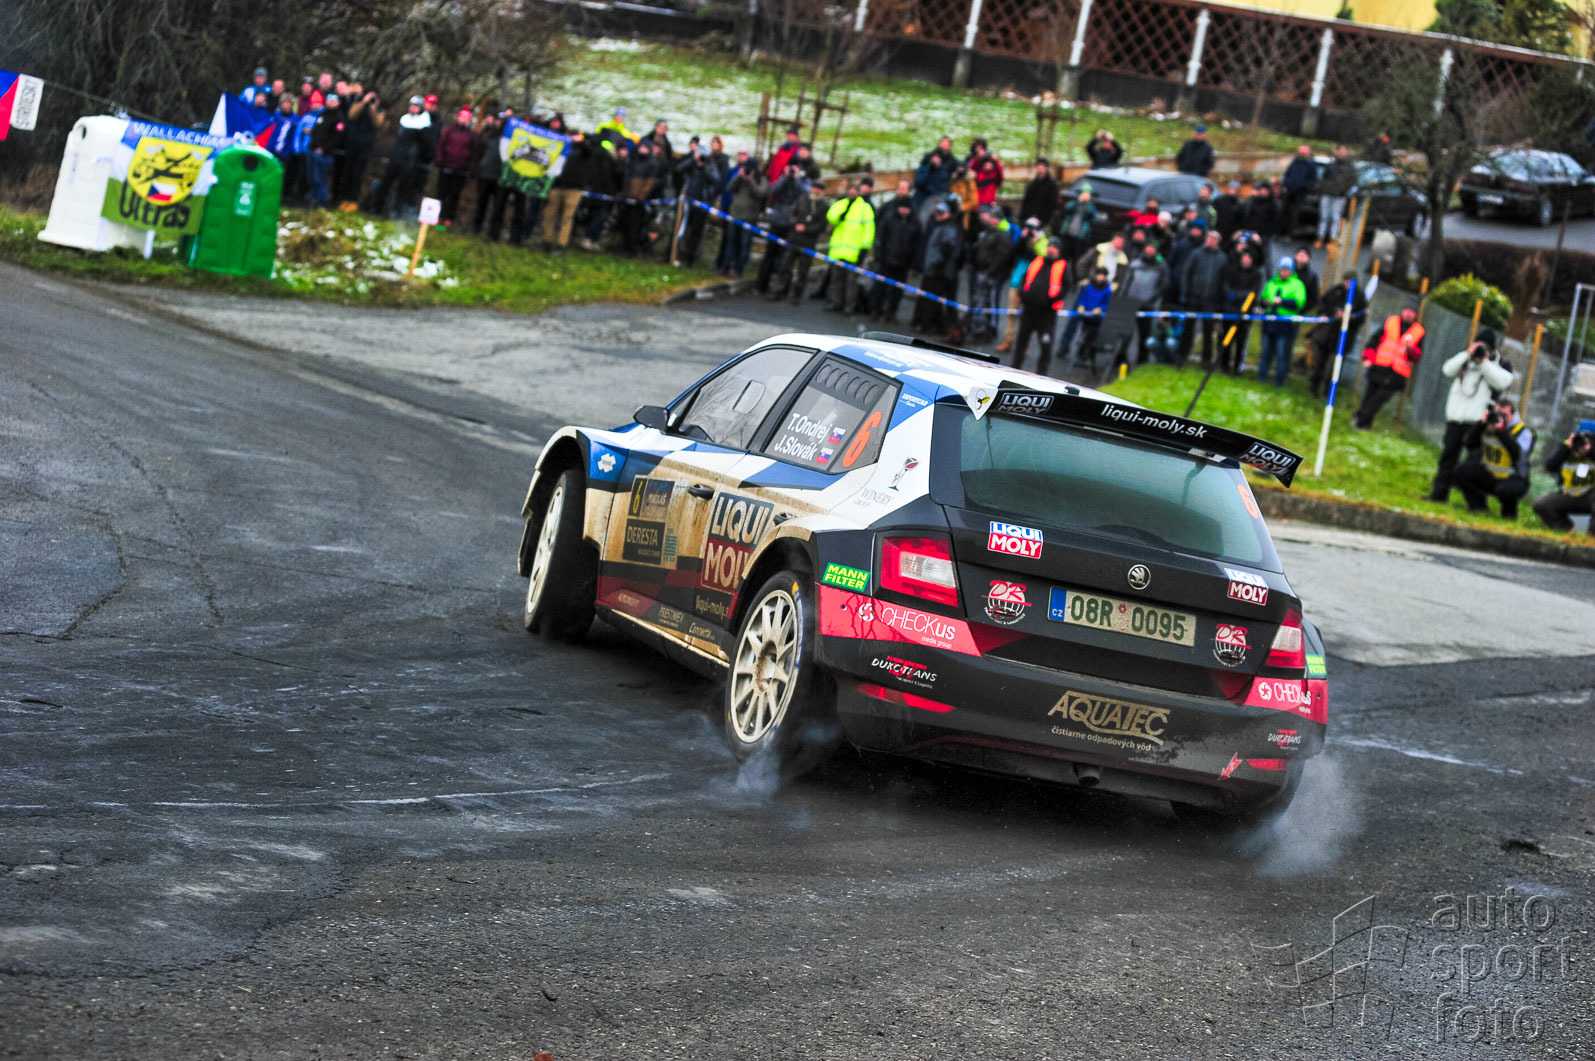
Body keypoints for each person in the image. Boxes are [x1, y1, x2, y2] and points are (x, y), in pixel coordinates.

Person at [1422, 330, 1514, 501]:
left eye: (1484, 348)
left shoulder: (1498, 364)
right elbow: (1447, 370)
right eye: (1478, 346)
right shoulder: (1465, 359)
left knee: (1475, 461)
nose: (1480, 350)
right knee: (1448, 458)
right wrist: (1467, 354)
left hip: (1478, 421)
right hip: (1456, 416)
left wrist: (1484, 363)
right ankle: (1439, 494)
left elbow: (1503, 382)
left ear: (1492, 350)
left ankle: (1476, 501)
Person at [1455, 400, 1534, 519]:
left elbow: (1518, 455)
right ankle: (1478, 507)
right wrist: (1481, 424)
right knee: (1462, 471)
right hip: (1490, 473)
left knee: (1506, 489)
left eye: (1504, 415)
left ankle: (1509, 515)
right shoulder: (1487, 425)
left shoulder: (1523, 432)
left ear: (1513, 415)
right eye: (1497, 413)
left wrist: (1501, 431)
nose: (1499, 417)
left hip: (1513, 477)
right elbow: (1469, 444)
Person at [1354, 302, 1426, 429]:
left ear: (1415, 315)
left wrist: (1410, 349)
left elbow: (1417, 356)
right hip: (1379, 366)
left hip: (1397, 374)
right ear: (1403, 311)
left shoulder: (1419, 331)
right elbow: (1374, 341)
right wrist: (1368, 357)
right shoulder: (1391, 322)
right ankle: (1364, 423)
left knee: (1379, 399)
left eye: (1412, 312)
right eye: (1407, 310)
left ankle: (1360, 417)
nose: (1408, 314)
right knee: (1369, 396)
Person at [1305, 278, 1368, 399]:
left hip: (1343, 339)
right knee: (1319, 364)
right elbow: (1322, 305)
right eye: (1346, 280)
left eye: (1350, 281)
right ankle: (1314, 387)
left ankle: (1328, 392)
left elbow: (1361, 318)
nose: (1347, 283)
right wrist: (1331, 313)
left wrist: (1347, 317)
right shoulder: (1334, 290)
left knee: (1334, 368)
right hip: (1325, 335)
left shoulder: (1359, 296)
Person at [1011, 242, 1068, 375]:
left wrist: (1051, 301)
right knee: (1021, 341)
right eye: (1050, 246)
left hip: (1046, 314)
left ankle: (1042, 373)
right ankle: (1014, 369)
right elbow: (1025, 278)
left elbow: (1066, 287)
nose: (1051, 249)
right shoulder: (1038, 261)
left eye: (1055, 247)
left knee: (1045, 345)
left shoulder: (1063, 266)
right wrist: (1022, 294)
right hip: (1029, 310)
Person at [996, 218, 1050, 354]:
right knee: (1012, 312)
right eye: (1028, 227)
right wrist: (1022, 239)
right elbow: (1011, 255)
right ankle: (1008, 341)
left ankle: (1024, 345)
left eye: (1033, 228)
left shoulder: (1042, 240)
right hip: (1017, 279)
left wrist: (1036, 242)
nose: (1031, 231)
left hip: (1032, 283)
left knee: (1028, 317)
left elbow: (1044, 257)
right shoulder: (1022, 239)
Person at [1178, 229, 1229, 367]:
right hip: (1194, 297)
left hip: (1211, 299)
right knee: (1188, 328)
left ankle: (1206, 360)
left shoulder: (1222, 258)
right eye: (1209, 238)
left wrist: (1220, 299)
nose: (1211, 241)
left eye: (1214, 239)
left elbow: (1223, 279)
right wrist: (1185, 292)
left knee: (1208, 331)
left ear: (1218, 242)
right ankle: (1181, 356)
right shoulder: (1196, 253)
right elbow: (1187, 273)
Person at [756, 162, 807, 292]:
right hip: (777, 221)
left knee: (785, 258)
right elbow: (772, 190)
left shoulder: (803, 182)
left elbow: (805, 193)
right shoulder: (782, 179)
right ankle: (762, 284)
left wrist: (796, 178)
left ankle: (780, 288)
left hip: (791, 224)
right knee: (770, 254)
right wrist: (785, 177)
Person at [824, 183, 875, 312]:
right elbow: (831, 217)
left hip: (854, 252)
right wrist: (844, 211)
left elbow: (869, 229)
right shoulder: (841, 204)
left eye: (854, 191)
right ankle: (836, 302)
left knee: (851, 281)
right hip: (837, 250)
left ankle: (849, 305)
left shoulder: (865, 208)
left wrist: (864, 248)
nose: (852, 194)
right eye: (850, 191)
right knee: (836, 279)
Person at [868, 195, 921, 320]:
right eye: (902, 208)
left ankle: (891, 312)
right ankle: (876, 309)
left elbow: (917, 244)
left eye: (906, 208)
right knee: (880, 287)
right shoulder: (889, 219)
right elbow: (880, 239)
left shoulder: (915, 223)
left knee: (897, 290)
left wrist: (914, 263)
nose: (904, 210)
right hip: (886, 260)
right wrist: (879, 256)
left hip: (903, 263)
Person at [771, 179, 824, 303]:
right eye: (815, 187)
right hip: (794, 238)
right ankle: (779, 290)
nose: (816, 190)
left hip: (809, 241)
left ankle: (797, 295)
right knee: (785, 266)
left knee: (803, 270)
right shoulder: (802, 199)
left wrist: (807, 229)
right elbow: (792, 213)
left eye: (819, 189)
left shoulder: (823, 206)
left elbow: (821, 225)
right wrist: (795, 223)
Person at [1256, 257, 1307, 386]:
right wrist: (1266, 302)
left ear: (1291, 271)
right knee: (1266, 351)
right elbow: (1262, 299)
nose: (1284, 272)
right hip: (1269, 322)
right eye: (1282, 269)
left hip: (1285, 324)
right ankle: (1262, 376)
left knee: (1281, 353)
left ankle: (1279, 380)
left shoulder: (1297, 285)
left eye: (1287, 270)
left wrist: (1281, 301)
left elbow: (1299, 302)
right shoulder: (1271, 283)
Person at [1533, 429, 1595, 533]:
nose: (1582, 443)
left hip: (1590, 496)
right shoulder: (1567, 449)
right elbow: (1550, 466)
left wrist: (1590, 451)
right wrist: (1565, 449)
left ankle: (1591, 537)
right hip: (1568, 495)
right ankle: (1565, 531)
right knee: (1542, 504)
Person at [671, 143, 722, 266]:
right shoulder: (691, 164)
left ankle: (690, 258)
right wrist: (693, 160)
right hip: (687, 202)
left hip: (701, 204)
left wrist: (704, 166)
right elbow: (678, 170)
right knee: (680, 228)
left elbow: (715, 179)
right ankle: (674, 253)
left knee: (696, 233)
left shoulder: (710, 165)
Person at [915, 201, 961, 334]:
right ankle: (932, 324)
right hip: (933, 268)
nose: (938, 216)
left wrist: (937, 263)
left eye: (941, 213)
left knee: (934, 299)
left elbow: (947, 248)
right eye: (937, 213)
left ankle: (930, 325)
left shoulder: (949, 228)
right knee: (931, 299)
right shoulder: (939, 226)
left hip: (939, 270)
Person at [1123, 241, 1169, 363]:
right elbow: (1126, 281)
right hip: (1131, 302)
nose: (1149, 250)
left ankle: (1142, 360)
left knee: (1145, 333)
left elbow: (1164, 285)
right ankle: (1120, 358)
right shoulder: (1135, 263)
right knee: (1125, 332)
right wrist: (1124, 297)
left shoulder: (1161, 266)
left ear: (1156, 251)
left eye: (1152, 248)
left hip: (1148, 305)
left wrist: (1153, 298)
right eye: (1148, 248)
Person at [970, 207, 1011, 341]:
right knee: (980, 300)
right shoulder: (989, 231)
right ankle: (979, 328)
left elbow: (1001, 256)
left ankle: (990, 329)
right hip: (983, 270)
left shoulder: (1002, 234)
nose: (991, 220)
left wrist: (990, 271)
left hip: (991, 274)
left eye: (994, 218)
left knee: (991, 301)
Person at [1220, 250, 1263, 375]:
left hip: (1245, 313)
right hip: (1230, 310)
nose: (1246, 259)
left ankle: (1237, 367)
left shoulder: (1256, 275)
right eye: (1244, 257)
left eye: (1249, 257)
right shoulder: (1232, 271)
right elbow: (1226, 286)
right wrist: (1232, 295)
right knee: (1227, 339)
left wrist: (1238, 295)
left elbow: (1253, 291)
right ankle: (1224, 365)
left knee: (1241, 342)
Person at [620, 140, 666, 257]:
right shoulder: (633, 161)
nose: (643, 150)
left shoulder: (652, 164)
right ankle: (624, 246)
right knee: (625, 223)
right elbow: (627, 179)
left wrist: (640, 197)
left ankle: (631, 249)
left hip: (638, 201)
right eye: (641, 147)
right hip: (628, 198)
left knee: (635, 226)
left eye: (645, 148)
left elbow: (649, 183)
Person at [433, 109, 477, 226]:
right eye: (462, 117)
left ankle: (449, 218)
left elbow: (474, 152)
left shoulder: (472, 134)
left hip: (461, 170)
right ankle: (437, 216)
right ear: (458, 118)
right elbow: (441, 146)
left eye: (466, 118)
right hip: (446, 167)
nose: (464, 120)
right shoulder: (449, 131)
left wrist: (469, 167)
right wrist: (439, 160)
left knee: (454, 195)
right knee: (442, 192)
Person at [339, 88, 382, 208]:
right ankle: (344, 199)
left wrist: (373, 109)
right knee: (348, 172)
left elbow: (377, 123)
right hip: (352, 144)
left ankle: (353, 201)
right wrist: (363, 102)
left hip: (365, 147)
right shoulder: (358, 104)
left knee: (358, 173)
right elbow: (351, 115)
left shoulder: (379, 109)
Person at [1315, 144, 1356, 248]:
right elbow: (1324, 177)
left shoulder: (1350, 167)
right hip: (1327, 194)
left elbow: (1352, 181)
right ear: (1336, 152)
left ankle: (1333, 238)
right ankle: (1320, 237)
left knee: (1335, 217)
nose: (1341, 153)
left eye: (1343, 151)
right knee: (1324, 216)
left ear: (1347, 153)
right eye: (1340, 151)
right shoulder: (1331, 164)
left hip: (1339, 196)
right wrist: (1324, 188)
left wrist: (1343, 190)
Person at [1074, 267, 1114, 369]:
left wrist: (1100, 309)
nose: (1100, 277)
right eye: (1099, 274)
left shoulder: (1107, 290)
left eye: (1102, 275)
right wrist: (1081, 306)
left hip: (1097, 319)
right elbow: (1083, 298)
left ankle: (1086, 357)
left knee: (1091, 338)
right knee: (1084, 336)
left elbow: (1107, 304)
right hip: (1086, 317)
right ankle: (1081, 356)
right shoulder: (1089, 286)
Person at [470, 113, 503, 235]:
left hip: (500, 178)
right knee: (481, 203)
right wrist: (477, 170)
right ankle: (476, 228)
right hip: (485, 175)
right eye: (497, 120)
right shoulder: (487, 135)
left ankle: (493, 232)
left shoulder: (510, 139)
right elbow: (478, 153)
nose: (498, 123)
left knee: (498, 207)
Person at [1053, 185, 1096, 264]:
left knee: (1076, 256)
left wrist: (1087, 203)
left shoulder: (1090, 206)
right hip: (1068, 233)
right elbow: (1067, 208)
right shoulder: (1074, 202)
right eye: (1084, 193)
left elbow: (1092, 215)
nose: (1085, 196)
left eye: (1087, 194)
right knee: (1063, 254)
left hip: (1080, 236)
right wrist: (1078, 201)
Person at [912, 137, 956, 216]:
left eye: (946, 146)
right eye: (935, 158)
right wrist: (929, 168)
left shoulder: (945, 169)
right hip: (923, 198)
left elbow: (943, 187)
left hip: (937, 199)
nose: (937, 160)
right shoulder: (926, 166)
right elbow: (918, 183)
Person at [1281, 145, 1316, 235]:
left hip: (1300, 192)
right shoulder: (1295, 161)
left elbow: (1312, 180)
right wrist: (1286, 184)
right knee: (1285, 210)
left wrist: (1303, 186)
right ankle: (1282, 230)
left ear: (1308, 153)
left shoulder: (1311, 164)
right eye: (1300, 153)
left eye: (1303, 153)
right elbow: (1287, 174)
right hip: (1289, 190)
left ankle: (1291, 231)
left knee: (1295, 213)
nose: (1301, 154)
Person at [1019, 160, 1060, 230]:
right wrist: (1024, 217)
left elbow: (1052, 204)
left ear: (1046, 168)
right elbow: (1026, 201)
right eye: (1038, 167)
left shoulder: (1052, 185)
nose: (1040, 169)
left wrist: (1042, 219)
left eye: (1042, 167)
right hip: (1030, 216)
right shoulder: (1032, 184)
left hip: (1044, 218)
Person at [969, 139, 1004, 207]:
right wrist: (978, 158)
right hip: (977, 202)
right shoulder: (978, 174)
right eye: (986, 164)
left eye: (990, 164)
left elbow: (1000, 176)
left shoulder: (994, 176)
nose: (988, 165)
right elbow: (972, 170)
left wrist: (996, 161)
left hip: (989, 203)